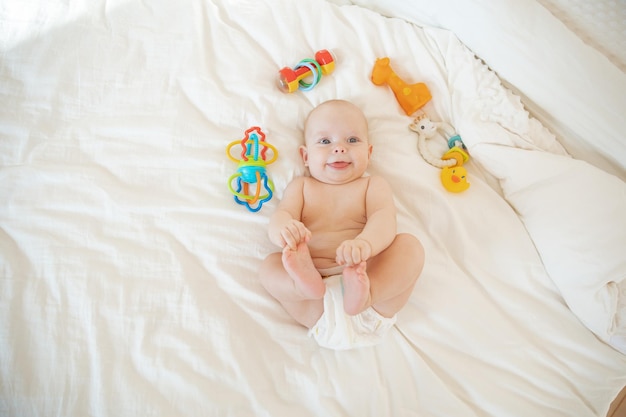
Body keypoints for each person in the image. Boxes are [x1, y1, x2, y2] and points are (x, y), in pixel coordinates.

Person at [258, 99, 424, 349]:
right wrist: (285, 231)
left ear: (369, 153)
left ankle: (370, 292)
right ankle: (301, 285)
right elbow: (282, 215)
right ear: (305, 156)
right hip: (316, 302)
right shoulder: (301, 187)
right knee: (270, 265)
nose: (339, 149)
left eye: (352, 140)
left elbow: (384, 218)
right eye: (325, 142)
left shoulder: (372, 185)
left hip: (369, 288)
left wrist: (365, 244)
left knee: (410, 247)